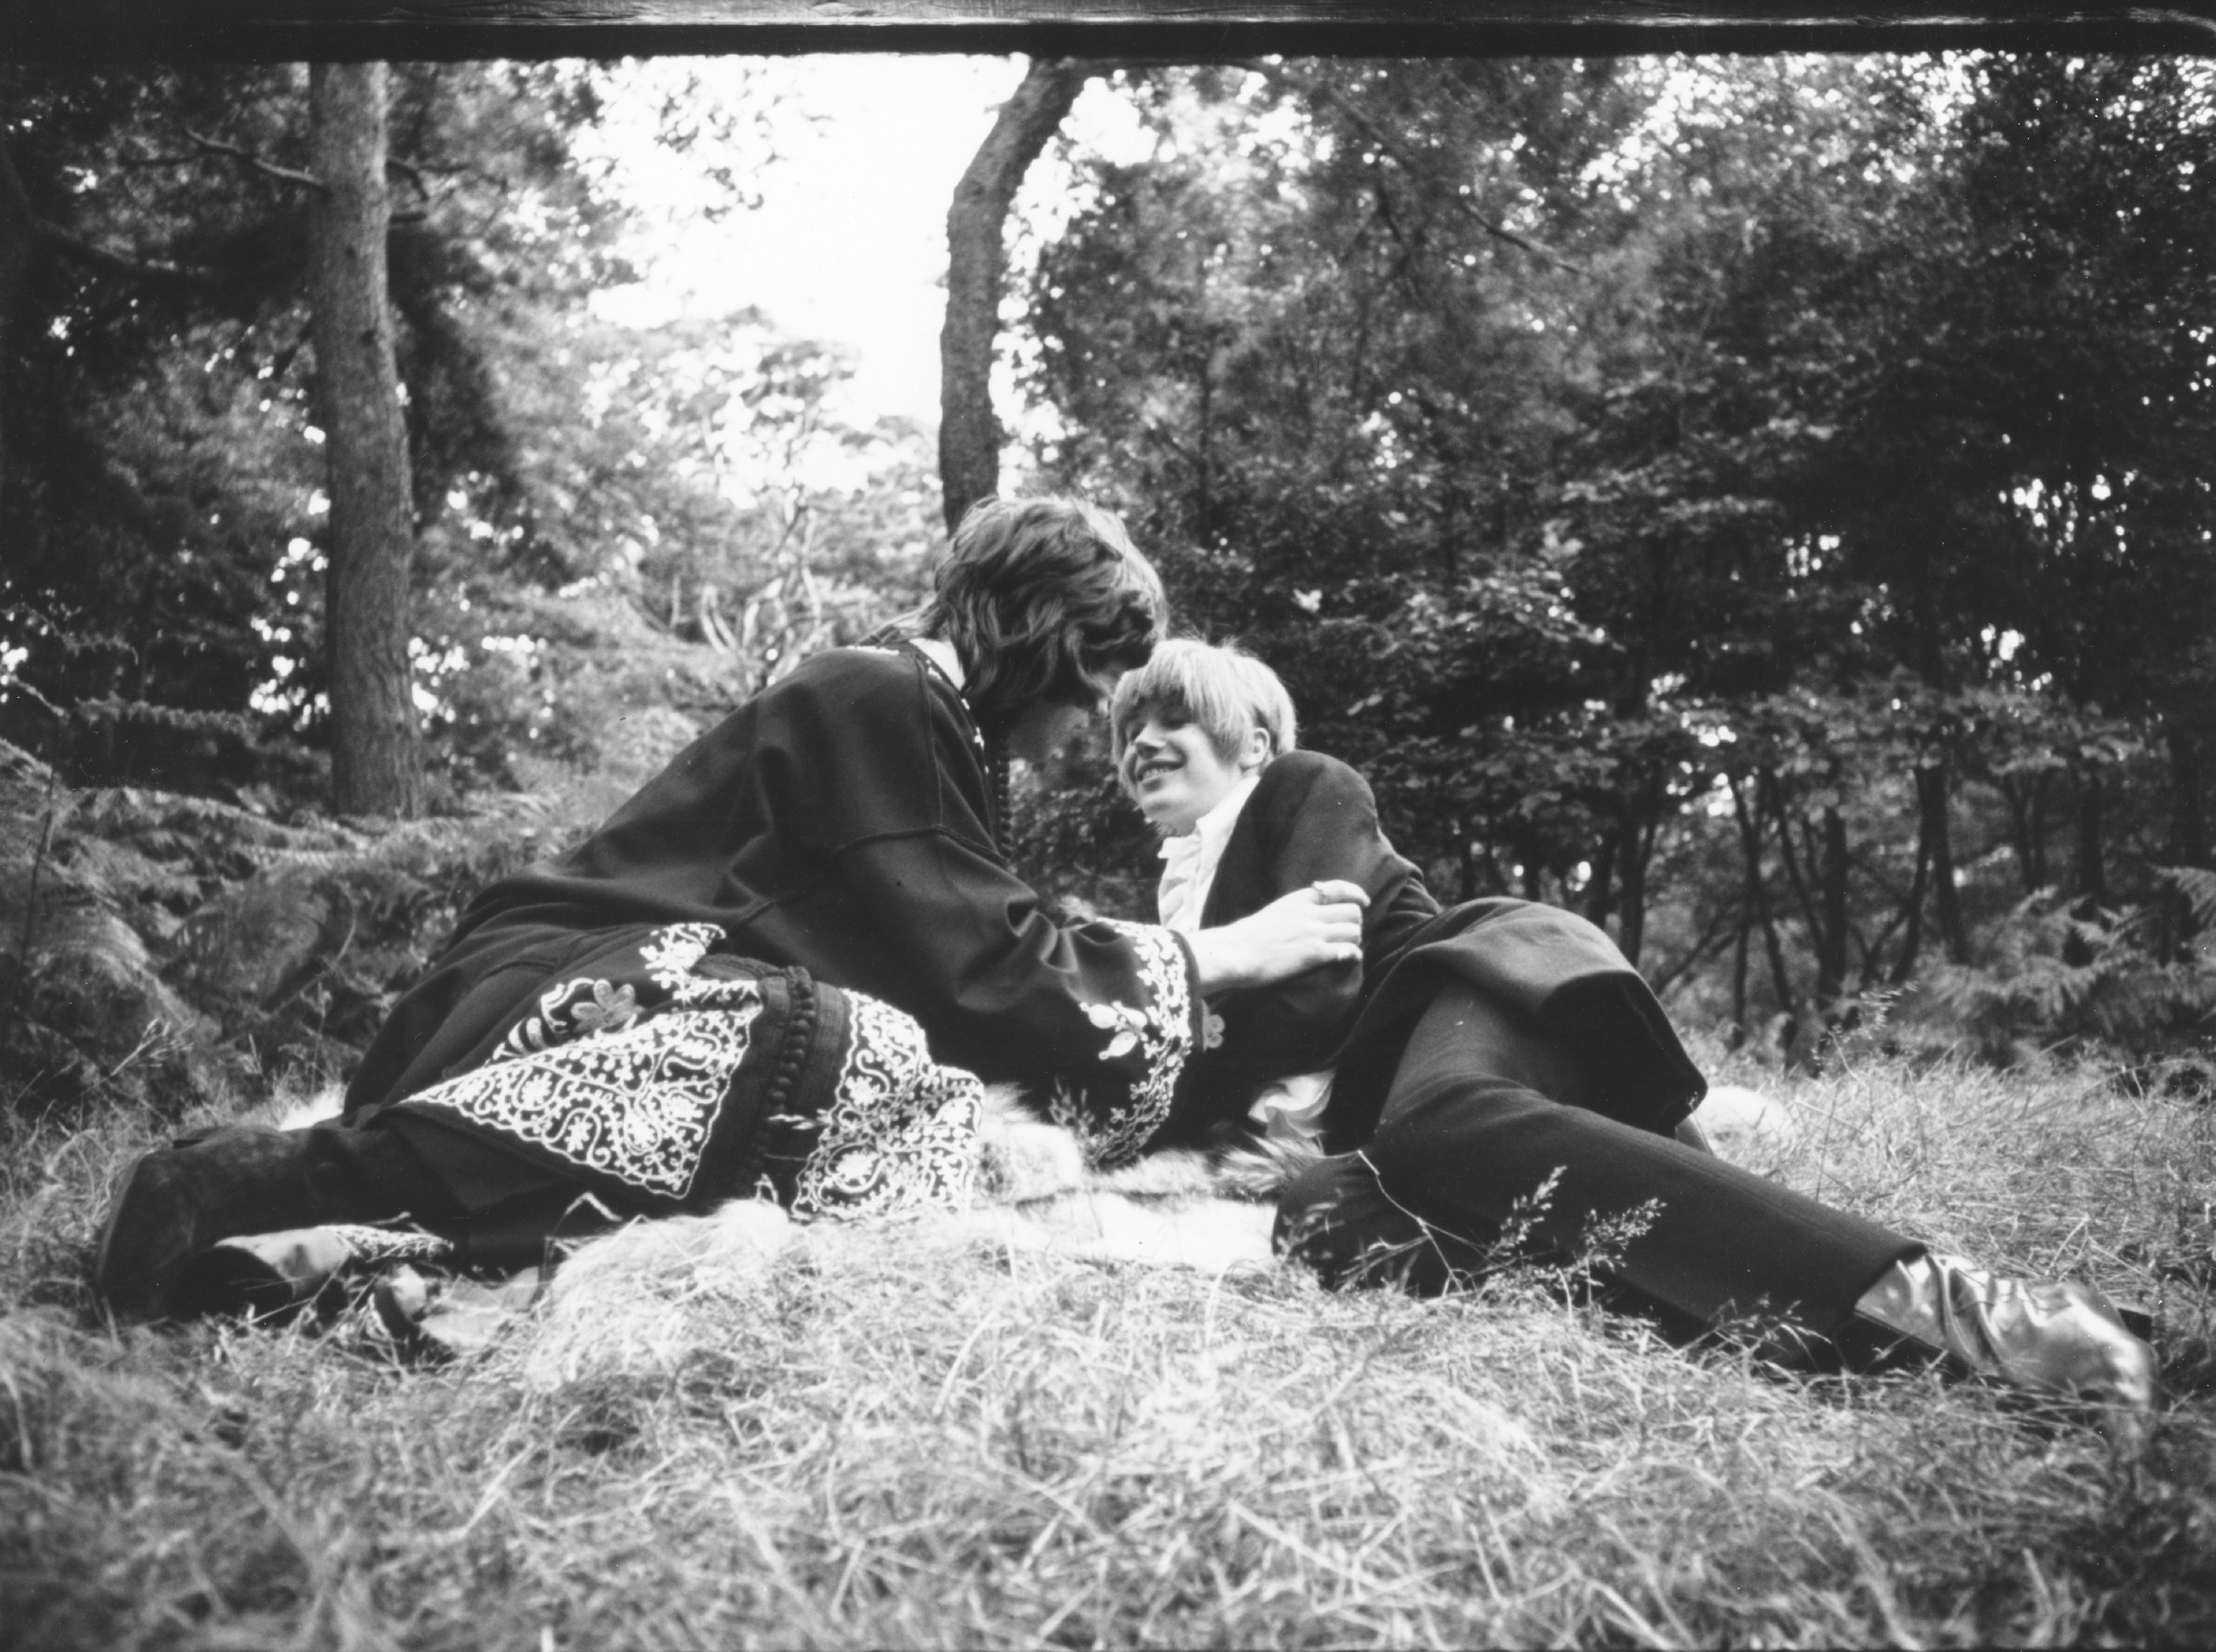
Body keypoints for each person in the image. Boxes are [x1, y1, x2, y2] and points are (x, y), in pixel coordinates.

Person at [94, 501, 1370, 1323]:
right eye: (1092, 675)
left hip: (593, 1006)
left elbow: (955, 951)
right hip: (560, 990)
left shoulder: (917, 719)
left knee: (907, 1100)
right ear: (1037, 634)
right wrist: (1217, 955)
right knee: (839, 1053)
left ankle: (337, 1238)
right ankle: (248, 1180)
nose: (1089, 718)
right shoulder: (884, 695)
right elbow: (979, 960)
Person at [1110, 639, 2156, 1439]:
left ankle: (1995, 1317)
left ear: (1251, 741)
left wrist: (1183, 1014)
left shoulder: (1301, 789)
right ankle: (1880, 1354)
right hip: (1407, 1118)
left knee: (1436, 1126)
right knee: (1318, 1216)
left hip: (1484, 984)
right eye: (1126, 729)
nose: (1141, 742)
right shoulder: (1173, 901)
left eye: (1173, 716)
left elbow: (1319, 988)